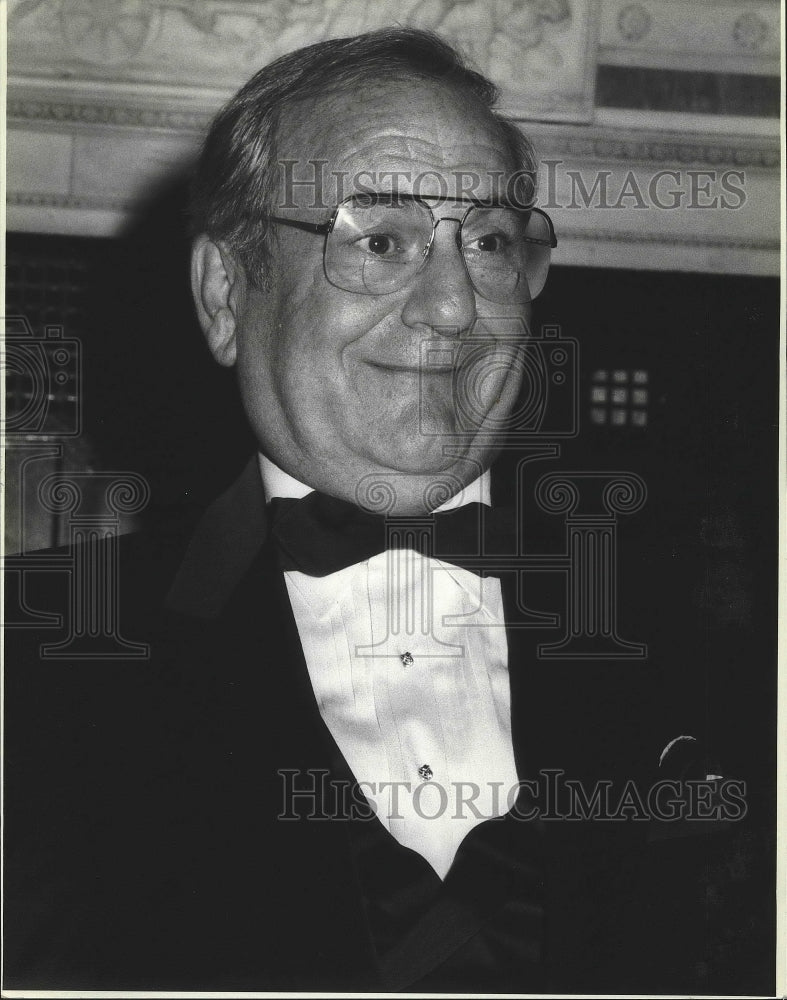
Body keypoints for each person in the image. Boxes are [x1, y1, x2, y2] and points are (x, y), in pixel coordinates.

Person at [4, 28, 748, 995]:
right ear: (226, 293)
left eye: (486, 242)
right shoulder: (30, 666)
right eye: (380, 240)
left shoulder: (720, 633)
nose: (450, 307)